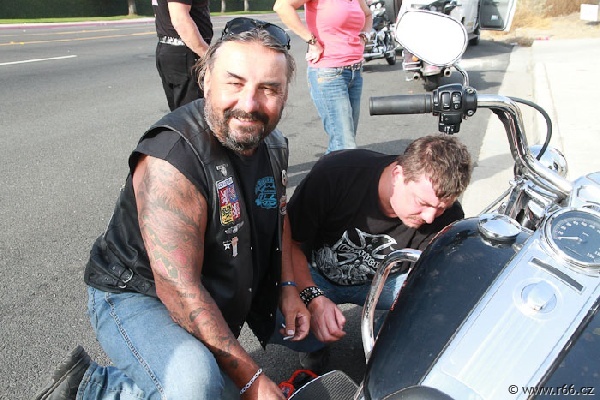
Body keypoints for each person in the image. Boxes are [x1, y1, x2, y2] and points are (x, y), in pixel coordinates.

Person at [35, 19, 310, 400]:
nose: (249, 104)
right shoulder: (172, 159)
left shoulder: (273, 143)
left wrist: (291, 288)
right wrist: (250, 380)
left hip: (215, 285)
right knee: (196, 384)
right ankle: (94, 386)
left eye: (268, 89)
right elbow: (179, 290)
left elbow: (277, 213)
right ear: (206, 80)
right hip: (139, 292)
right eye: (235, 83)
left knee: (314, 329)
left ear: (284, 93)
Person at [272, 135, 473, 372]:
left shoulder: (448, 218)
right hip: (315, 273)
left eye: (440, 208)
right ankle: (315, 342)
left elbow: (432, 282)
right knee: (280, 317)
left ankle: (383, 333)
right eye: (423, 203)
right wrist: (312, 298)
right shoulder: (337, 173)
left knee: (438, 303)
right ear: (398, 174)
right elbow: (290, 243)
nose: (429, 218)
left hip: (384, 282)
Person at [273, 0, 373, 153]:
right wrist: (311, 41)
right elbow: (282, 6)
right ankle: (338, 168)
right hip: (329, 73)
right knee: (345, 143)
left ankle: (330, 168)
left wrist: (364, 36)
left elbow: (368, 14)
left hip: (355, 71)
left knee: (342, 141)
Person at [154, 0, 213, 111]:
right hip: (186, 52)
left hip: (171, 49)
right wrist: (208, 56)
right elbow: (180, 20)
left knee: (180, 113)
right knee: (192, 113)